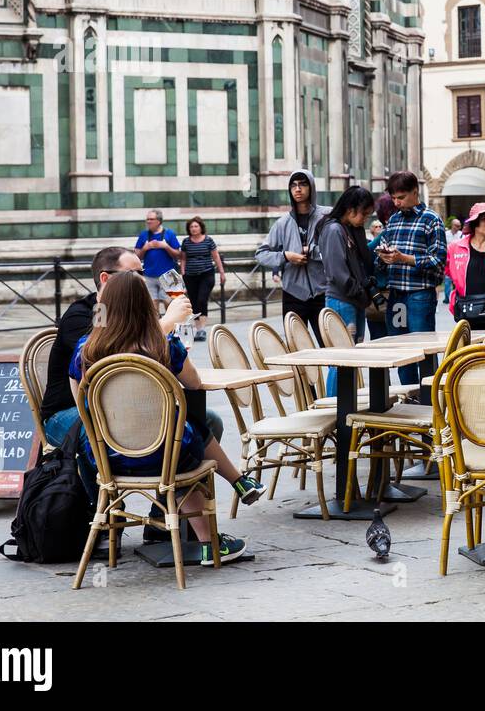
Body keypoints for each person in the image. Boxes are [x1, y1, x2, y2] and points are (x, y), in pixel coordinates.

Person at [68, 270, 260, 564]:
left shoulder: (84, 350)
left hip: (107, 458)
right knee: (184, 435)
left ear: (106, 308)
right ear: (146, 306)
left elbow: (81, 402)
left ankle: (224, 507)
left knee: (182, 434)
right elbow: (194, 383)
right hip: (162, 456)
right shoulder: (162, 345)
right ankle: (212, 538)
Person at [43, 246, 216, 448]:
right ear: (106, 279)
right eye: (133, 273)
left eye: (142, 273)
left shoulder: (128, 313)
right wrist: (166, 323)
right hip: (70, 410)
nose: (142, 280)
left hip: (124, 406)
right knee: (164, 428)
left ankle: (174, 477)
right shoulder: (83, 314)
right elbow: (109, 355)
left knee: (207, 420)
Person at [375, 171, 447, 387]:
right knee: (400, 349)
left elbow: (439, 262)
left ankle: (428, 398)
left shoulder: (432, 220)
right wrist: (384, 257)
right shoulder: (394, 220)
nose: (396, 203)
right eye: (393, 198)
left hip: (420, 295)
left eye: (401, 197)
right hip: (396, 295)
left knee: (423, 349)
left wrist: (403, 258)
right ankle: (410, 395)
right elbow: (380, 257)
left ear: (415, 192)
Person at [254, 169, 330, 337]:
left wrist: (312, 252)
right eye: (293, 185)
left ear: (311, 187)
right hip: (293, 294)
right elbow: (261, 254)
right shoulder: (283, 223)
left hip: (323, 292)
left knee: (330, 344)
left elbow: (338, 248)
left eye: (303, 184)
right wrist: (286, 256)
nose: (298, 189)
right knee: (297, 347)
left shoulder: (326, 216)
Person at [318, 185, 379, 344]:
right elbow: (337, 273)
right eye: (364, 214)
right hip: (341, 300)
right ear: (350, 210)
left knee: (354, 356)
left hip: (354, 299)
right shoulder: (334, 230)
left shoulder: (350, 229)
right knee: (342, 359)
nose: (365, 220)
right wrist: (361, 292)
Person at [179, 216, 225, 342]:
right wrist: (182, 273)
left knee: (202, 299)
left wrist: (221, 273)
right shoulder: (186, 242)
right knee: (193, 302)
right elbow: (183, 258)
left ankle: (202, 329)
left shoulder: (208, 241)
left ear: (201, 227)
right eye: (191, 227)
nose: (193, 229)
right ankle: (198, 329)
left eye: (196, 226)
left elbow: (216, 257)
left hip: (207, 274)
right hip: (190, 276)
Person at [134, 209, 182, 310]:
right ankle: (156, 325)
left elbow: (178, 255)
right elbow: (137, 256)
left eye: (151, 219)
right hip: (149, 276)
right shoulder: (143, 235)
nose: (148, 221)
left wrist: (166, 246)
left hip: (168, 275)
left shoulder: (170, 234)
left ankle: (169, 326)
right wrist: (145, 248)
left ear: (159, 221)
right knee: (151, 307)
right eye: (147, 219)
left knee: (170, 305)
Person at [364, 194, 396, 339]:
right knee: (400, 342)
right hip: (394, 297)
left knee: (378, 341)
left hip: (376, 300)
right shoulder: (392, 237)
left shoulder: (372, 245)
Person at [443, 217, 464, 303]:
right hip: (448, 259)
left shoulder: (461, 235)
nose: (458, 227)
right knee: (447, 280)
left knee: (457, 279)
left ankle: (457, 297)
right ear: (452, 225)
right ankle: (447, 298)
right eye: (456, 225)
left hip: (458, 259)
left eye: (459, 226)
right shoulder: (445, 234)